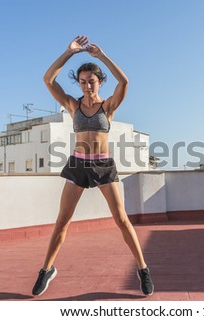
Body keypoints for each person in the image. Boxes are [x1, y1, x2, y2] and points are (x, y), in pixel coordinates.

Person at [31, 36, 154, 297]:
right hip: (78, 166)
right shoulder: (72, 105)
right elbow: (48, 80)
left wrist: (102, 56)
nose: (87, 86)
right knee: (62, 221)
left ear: (99, 82)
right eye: (83, 81)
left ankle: (143, 269)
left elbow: (125, 82)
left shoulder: (107, 107)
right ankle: (47, 269)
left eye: (92, 81)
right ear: (79, 82)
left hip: (103, 166)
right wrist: (68, 52)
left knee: (121, 219)